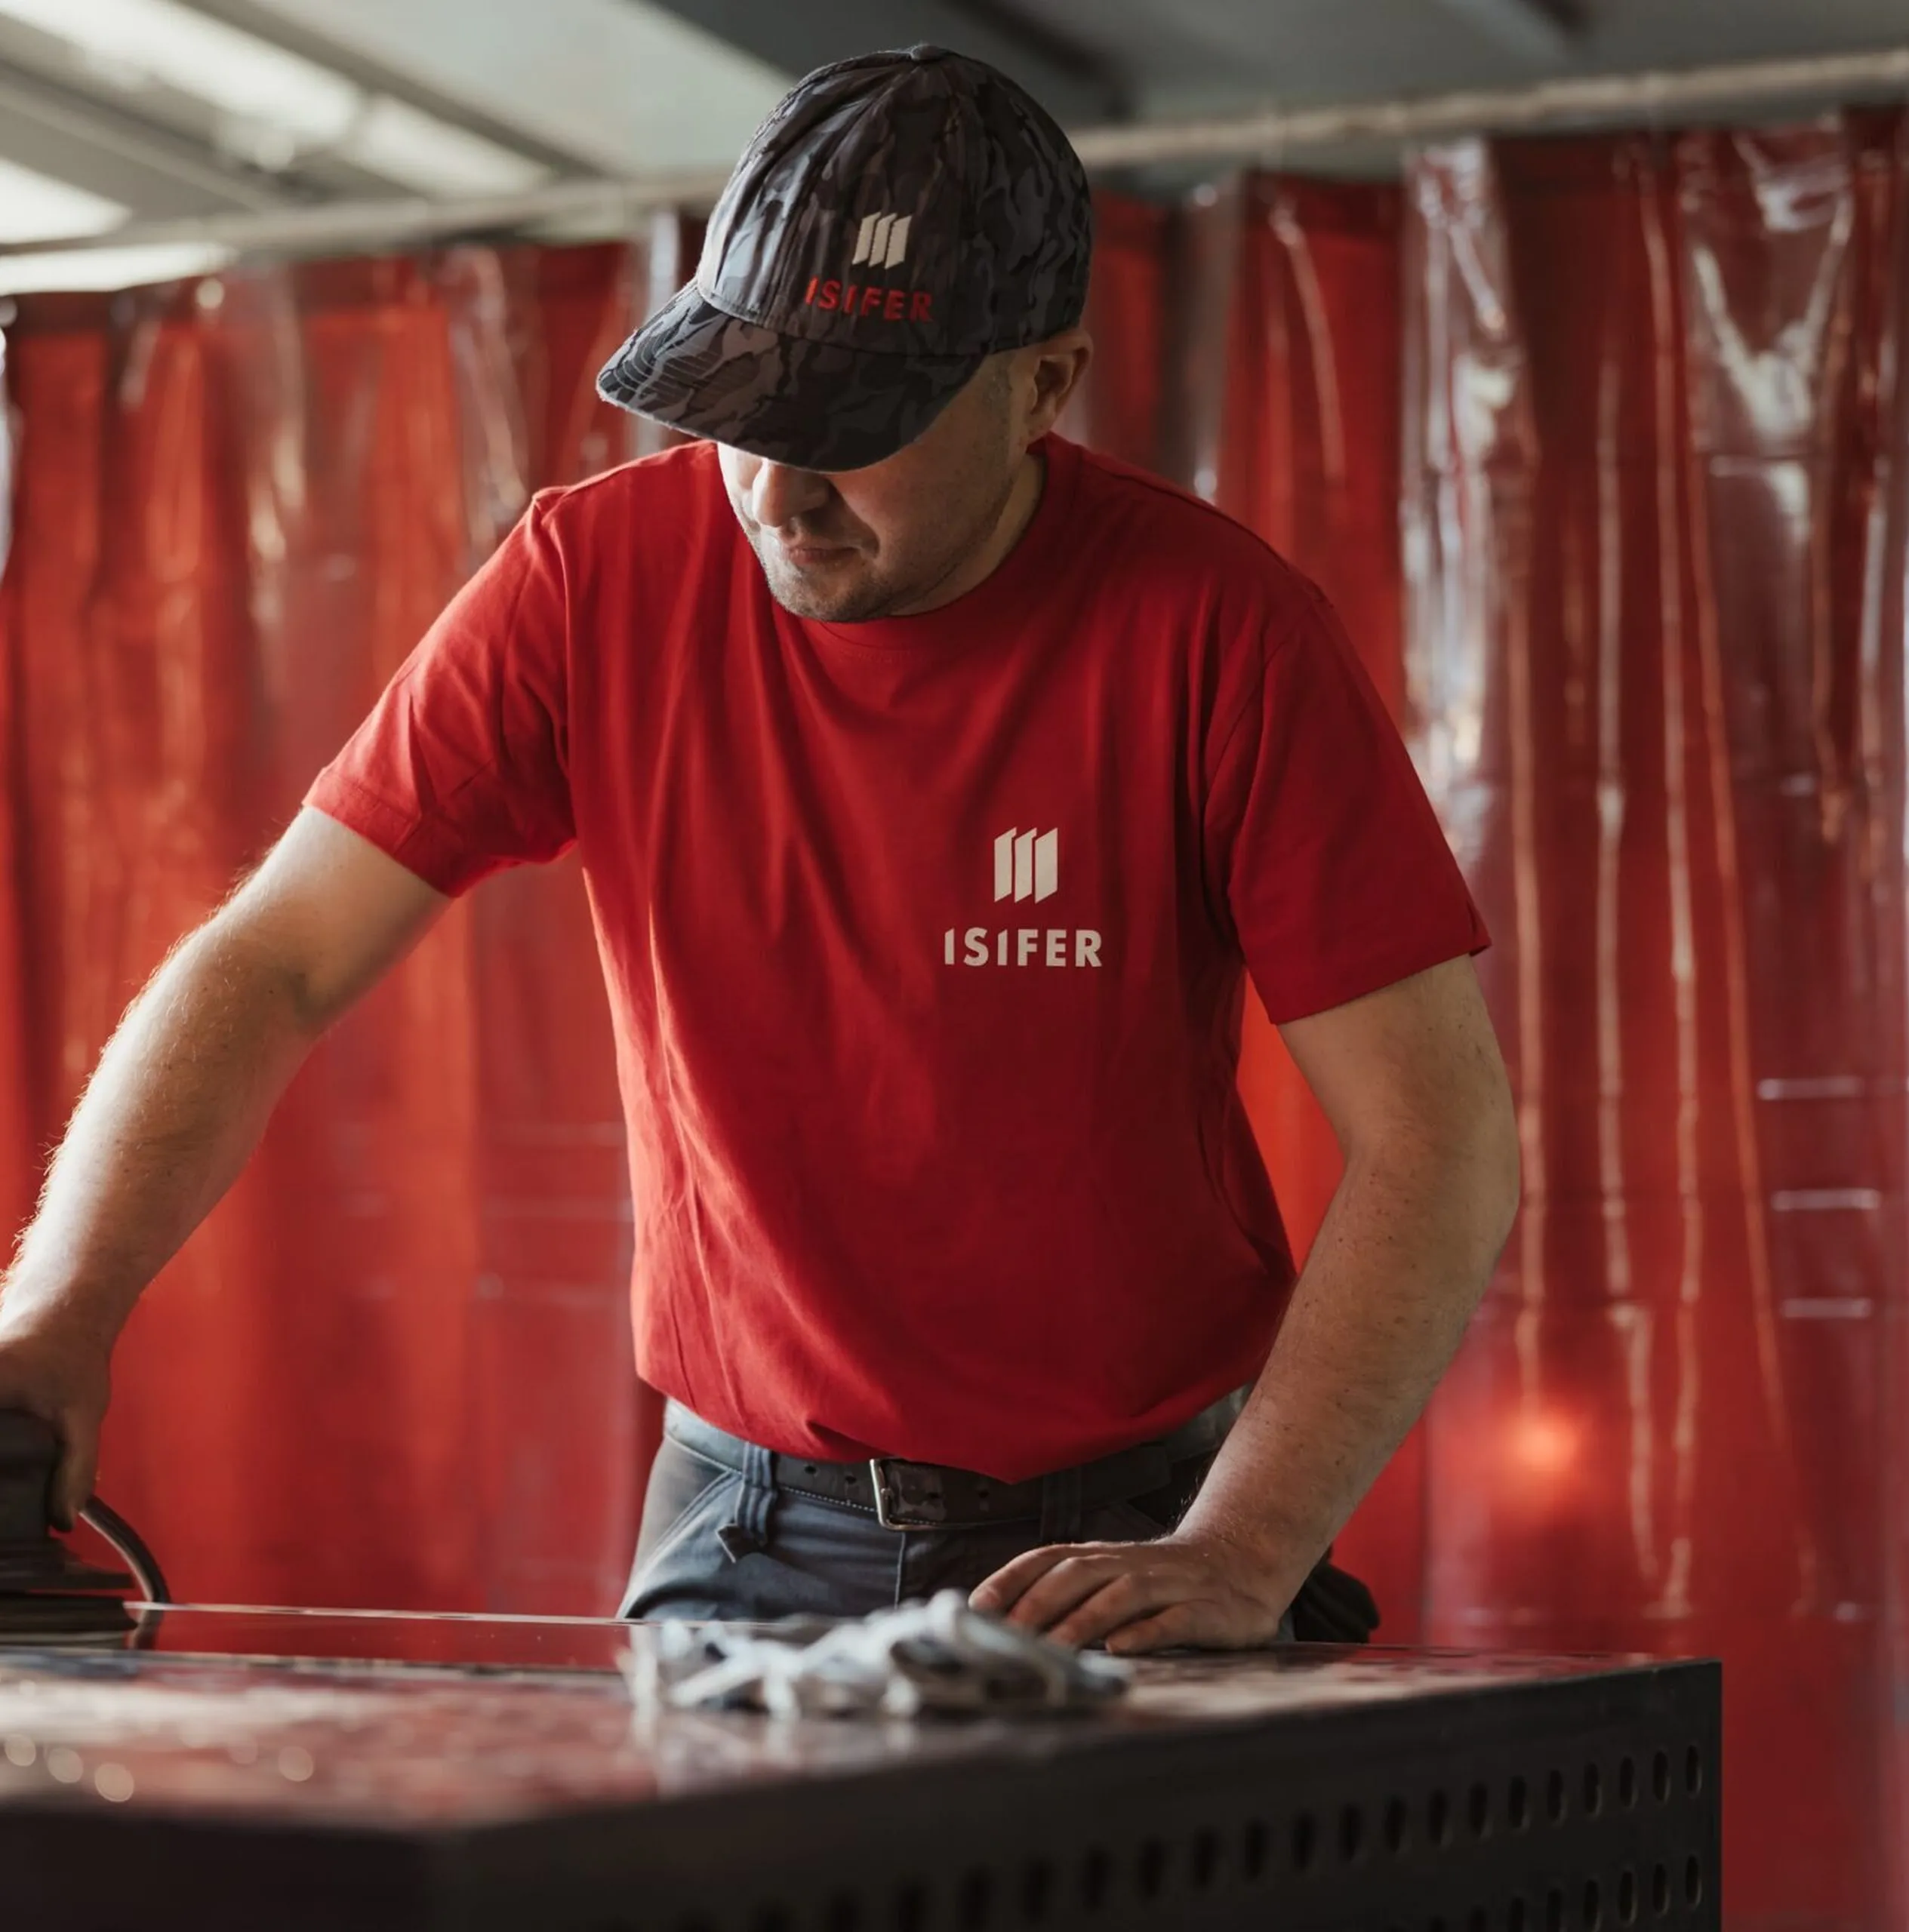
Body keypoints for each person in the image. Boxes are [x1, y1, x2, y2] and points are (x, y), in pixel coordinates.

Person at [0, 46, 1517, 1654]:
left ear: (1041, 384)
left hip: (1133, 1531)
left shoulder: (1216, 628)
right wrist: (61, 1307)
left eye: (851, 427)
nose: (775, 494)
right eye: (736, 412)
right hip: (748, 1527)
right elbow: (277, 955)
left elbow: (1439, 1139)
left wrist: (1244, 1545)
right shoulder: (591, 579)